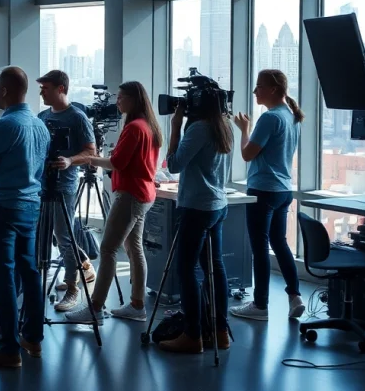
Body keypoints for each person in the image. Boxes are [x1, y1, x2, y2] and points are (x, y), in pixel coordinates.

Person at [62, 81, 163, 323]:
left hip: (130, 194)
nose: (117, 102)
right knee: (134, 248)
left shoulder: (134, 128)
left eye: (121, 97)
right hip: (144, 193)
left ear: (133, 100)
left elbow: (117, 163)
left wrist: (91, 159)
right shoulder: (149, 126)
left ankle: (95, 309)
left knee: (108, 249)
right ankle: (137, 305)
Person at [0, 67, 49, 368]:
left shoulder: (4, 126)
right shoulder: (40, 126)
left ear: (3, 90)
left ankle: (8, 348)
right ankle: (33, 338)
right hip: (30, 206)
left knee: (3, 276)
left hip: (2, 206)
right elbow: (38, 170)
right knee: (29, 272)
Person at [158, 98, 234, 354]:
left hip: (196, 207)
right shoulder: (224, 124)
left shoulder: (199, 127)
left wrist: (176, 127)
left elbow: (175, 164)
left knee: (186, 269)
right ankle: (220, 332)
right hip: (217, 205)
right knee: (216, 267)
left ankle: (192, 335)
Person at [230, 69, 305, 321]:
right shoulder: (292, 117)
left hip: (263, 189)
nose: (255, 91)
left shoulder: (270, 118)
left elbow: (247, 154)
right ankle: (295, 296)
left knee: (260, 247)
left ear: (273, 89)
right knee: (279, 243)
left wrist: (244, 129)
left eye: (259, 86)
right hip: (283, 189)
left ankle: (260, 305)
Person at [36, 70, 97, 312]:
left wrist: (70, 161)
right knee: (42, 236)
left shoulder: (77, 118)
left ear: (61, 88)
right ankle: (43, 282)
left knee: (64, 236)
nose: (42, 92)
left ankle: (73, 287)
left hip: (65, 186)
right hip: (42, 185)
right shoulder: (41, 116)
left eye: (46, 88)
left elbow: (91, 152)